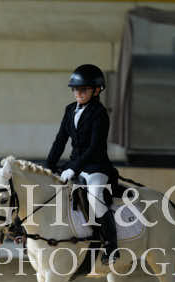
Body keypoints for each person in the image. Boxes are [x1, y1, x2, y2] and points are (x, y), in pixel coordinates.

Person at [46, 64, 120, 265]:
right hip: (73, 164)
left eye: (83, 89)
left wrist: (74, 168)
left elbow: (95, 147)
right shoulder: (70, 109)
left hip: (96, 167)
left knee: (95, 198)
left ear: (96, 91)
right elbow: (60, 140)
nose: (78, 93)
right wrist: (49, 165)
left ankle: (111, 245)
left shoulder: (100, 113)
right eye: (75, 89)